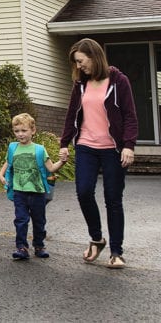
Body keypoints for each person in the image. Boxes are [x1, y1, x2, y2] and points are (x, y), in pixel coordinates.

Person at [58, 38, 138, 269]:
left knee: (113, 200)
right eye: (76, 63)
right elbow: (71, 114)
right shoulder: (80, 85)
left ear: (94, 56)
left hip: (113, 149)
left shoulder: (119, 81)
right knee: (83, 192)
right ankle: (96, 238)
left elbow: (130, 117)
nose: (79, 66)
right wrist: (64, 142)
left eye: (81, 61)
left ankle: (116, 252)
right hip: (85, 146)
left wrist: (128, 146)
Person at [0, 113, 64, 260]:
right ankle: (21, 247)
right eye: (17, 131)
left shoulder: (39, 149)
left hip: (37, 192)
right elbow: (8, 163)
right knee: (21, 220)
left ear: (33, 131)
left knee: (39, 220)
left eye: (24, 130)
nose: (20, 134)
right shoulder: (13, 148)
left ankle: (39, 245)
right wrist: (1, 175)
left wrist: (62, 161)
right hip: (19, 192)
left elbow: (51, 168)